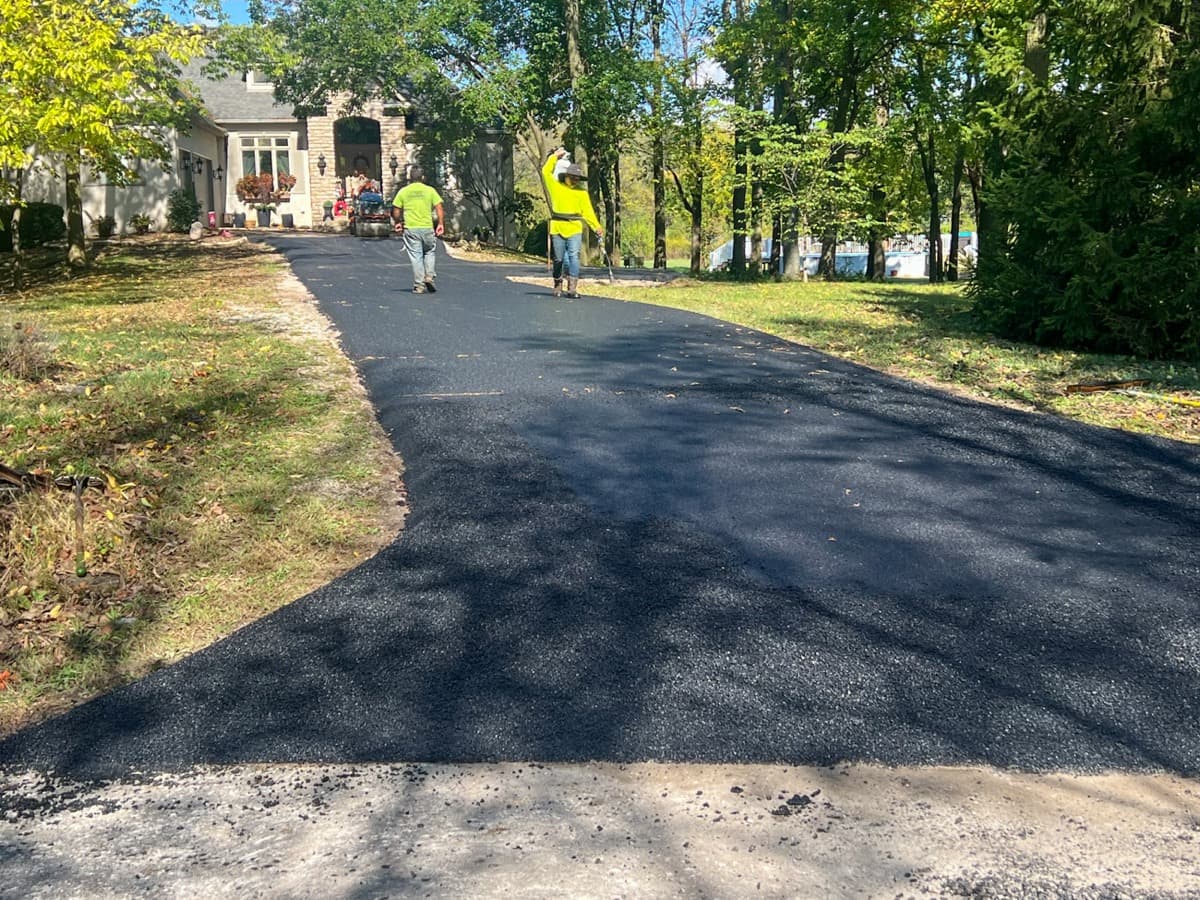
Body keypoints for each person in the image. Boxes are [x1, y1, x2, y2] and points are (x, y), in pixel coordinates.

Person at [541, 148, 603, 298]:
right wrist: (554, 157)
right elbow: (545, 172)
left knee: (574, 256)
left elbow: (587, 212)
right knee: (559, 258)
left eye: (577, 178)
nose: (575, 180)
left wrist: (596, 226)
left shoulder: (581, 193)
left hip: (574, 227)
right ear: (566, 176)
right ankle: (557, 282)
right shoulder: (556, 187)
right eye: (573, 177)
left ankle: (572, 288)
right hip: (558, 227)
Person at [392, 166, 445, 293]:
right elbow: (439, 207)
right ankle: (429, 277)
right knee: (429, 252)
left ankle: (419, 285)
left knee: (416, 256)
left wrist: (397, 222)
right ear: (423, 177)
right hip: (427, 228)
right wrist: (440, 224)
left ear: (410, 178)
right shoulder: (430, 190)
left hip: (411, 228)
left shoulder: (404, 191)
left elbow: (396, 209)